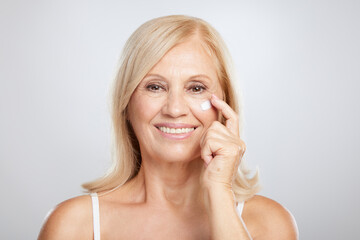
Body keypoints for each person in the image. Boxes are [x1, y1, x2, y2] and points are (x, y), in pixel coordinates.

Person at [38, 15, 298, 239]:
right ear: (127, 104)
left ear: (225, 106)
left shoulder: (269, 223)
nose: (175, 109)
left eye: (196, 88)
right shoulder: (73, 225)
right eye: (155, 87)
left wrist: (220, 191)